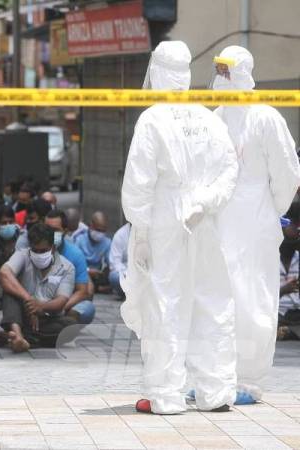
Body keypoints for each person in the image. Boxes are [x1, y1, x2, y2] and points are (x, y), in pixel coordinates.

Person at [121, 41, 239, 415]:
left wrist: (139, 232)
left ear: (156, 71)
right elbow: (229, 172)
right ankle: (216, 390)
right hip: (204, 220)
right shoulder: (209, 118)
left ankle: (167, 395)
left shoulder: (152, 119)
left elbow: (139, 183)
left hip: (165, 219)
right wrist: (205, 202)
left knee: (165, 302)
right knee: (211, 300)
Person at [210, 46, 300, 404]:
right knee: (219, 295)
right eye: (217, 69)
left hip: (256, 221)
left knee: (253, 297)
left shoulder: (266, 117)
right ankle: (216, 373)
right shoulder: (215, 116)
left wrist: (266, 212)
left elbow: (288, 175)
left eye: (227, 70)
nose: (220, 77)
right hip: (220, 218)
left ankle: (248, 380)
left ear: (243, 71)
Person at [0, 223, 76, 352]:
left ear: (53, 247)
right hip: (22, 312)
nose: (39, 254)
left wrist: (41, 307)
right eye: (35, 250)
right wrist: (28, 300)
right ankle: (18, 335)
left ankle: (16, 336)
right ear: (30, 247)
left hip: (47, 318)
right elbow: (4, 273)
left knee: (71, 327)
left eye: (43, 250)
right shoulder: (22, 255)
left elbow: (61, 301)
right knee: (9, 292)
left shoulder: (67, 267)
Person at [45, 210, 95, 324]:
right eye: (47, 229)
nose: (51, 233)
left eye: (56, 230)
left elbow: (82, 291)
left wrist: (60, 307)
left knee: (87, 308)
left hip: (65, 302)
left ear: (65, 231)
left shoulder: (75, 254)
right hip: (40, 300)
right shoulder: (34, 249)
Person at [74, 212, 112, 294]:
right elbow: (74, 262)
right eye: (98, 230)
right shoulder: (79, 239)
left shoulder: (107, 242)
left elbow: (111, 263)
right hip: (81, 271)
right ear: (91, 226)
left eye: (103, 231)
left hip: (97, 274)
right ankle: (96, 288)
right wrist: (87, 271)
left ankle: (97, 287)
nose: (100, 234)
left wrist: (107, 271)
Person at [278, 213, 300, 340]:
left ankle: (286, 333)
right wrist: (283, 290)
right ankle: (285, 332)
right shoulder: (270, 261)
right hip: (278, 312)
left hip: (296, 312)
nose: (291, 248)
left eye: (294, 244)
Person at [108, 223, 130, 299]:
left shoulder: (151, 232)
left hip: (145, 274)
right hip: (127, 274)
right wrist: (127, 274)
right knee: (114, 277)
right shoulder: (121, 235)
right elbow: (115, 263)